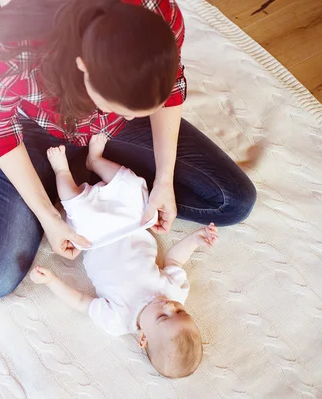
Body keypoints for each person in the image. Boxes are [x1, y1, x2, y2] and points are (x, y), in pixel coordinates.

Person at [0, 0, 255, 297]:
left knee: (232, 201)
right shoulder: (14, 56)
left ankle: (84, 172)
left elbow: (171, 91)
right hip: (32, 134)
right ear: (83, 66)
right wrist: (50, 216)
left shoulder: (158, 12)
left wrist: (164, 181)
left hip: (107, 136)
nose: (117, 113)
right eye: (113, 104)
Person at [29, 135, 215, 378]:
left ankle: (62, 171)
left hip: (95, 239)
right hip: (131, 226)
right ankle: (95, 161)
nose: (169, 307)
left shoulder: (117, 321)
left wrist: (51, 281)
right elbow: (174, 260)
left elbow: (81, 302)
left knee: (76, 211)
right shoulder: (175, 292)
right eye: (181, 312)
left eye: (162, 317)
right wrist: (195, 240)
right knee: (134, 187)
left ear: (143, 338)